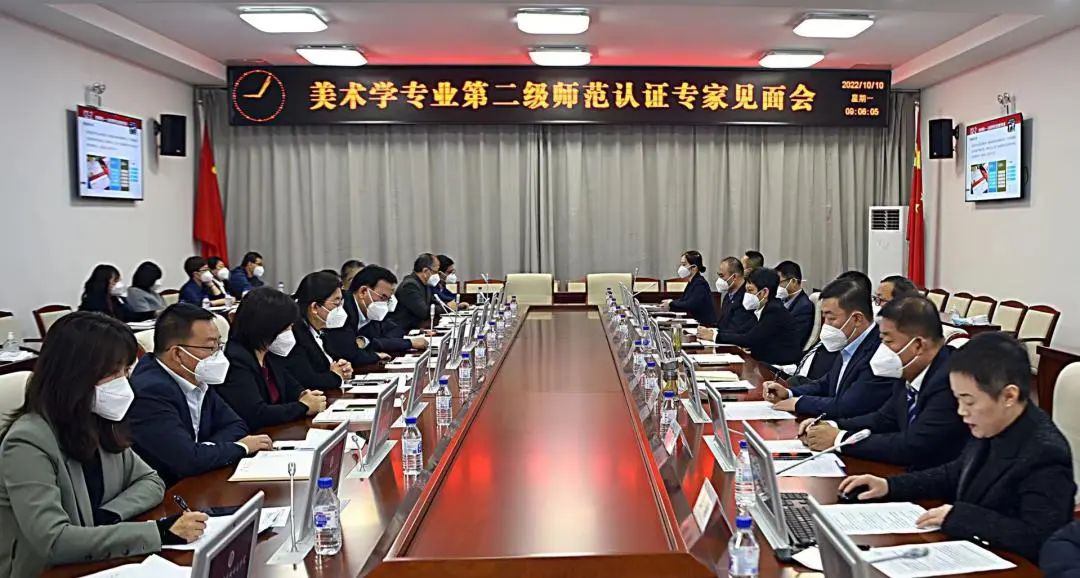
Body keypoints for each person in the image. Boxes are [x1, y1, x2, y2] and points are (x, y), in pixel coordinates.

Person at [0, 313, 208, 576]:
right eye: (112, 373)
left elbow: (151, 481)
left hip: (98, 560)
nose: (123, 383)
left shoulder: (98, 421)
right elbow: (53, 541)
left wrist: (110, 515)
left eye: (126, 371)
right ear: (73, 375)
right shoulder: (27, 442)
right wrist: (160, 532)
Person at [840, 333, 1076, 563]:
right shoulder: (993, 423)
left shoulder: (1045, 453)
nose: (961, 411)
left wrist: (960, 517)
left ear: (1009, 396)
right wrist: (889, 486)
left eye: (969, 401)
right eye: (958, 399)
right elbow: (955, 473)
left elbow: (1039, 538)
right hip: (972, 551)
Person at [800, 297, 968, 470]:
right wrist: (831, 425)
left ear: (918, 345)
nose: (882, 350)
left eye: (888, 342)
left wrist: (839, 439)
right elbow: (884, 419)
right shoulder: (910, 369)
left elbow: (914, 445)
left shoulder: (951, 380)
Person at [127, 304, 272, 487]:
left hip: (201, 478)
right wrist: (241, 447)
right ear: (178, 354)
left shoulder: (195, 375)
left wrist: (203, 450)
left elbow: (237, 425)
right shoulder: (149, 392)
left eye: (220, 345)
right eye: (211, 347)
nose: (218, 355)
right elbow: (186, 461)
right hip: (169, 491)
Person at [763, 277, 897, 417]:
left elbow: (848, 406)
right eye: (824, 318)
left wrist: (799, 403)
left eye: (831, 318)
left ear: (857, 319)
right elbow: (826, 384)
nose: (826, 325)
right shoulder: (850, 343)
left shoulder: (879, 351)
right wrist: (789, 393)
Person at [220, 288, 327, 431]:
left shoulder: (269, 354)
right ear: (267, 327)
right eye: (286, 328)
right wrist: (303, 407)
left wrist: (305, 395)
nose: (290, 333)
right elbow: (256, 414)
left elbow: (293, 387)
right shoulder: (235, 359)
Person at [700, 268, 801, 365]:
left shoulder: (774, 311)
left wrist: (715, 336)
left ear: (764, 292)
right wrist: (714, 332)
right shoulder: (762, 309)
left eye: (750, 290)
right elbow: (741, 331)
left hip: (779, 367)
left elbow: (749, 339)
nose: (746, 295)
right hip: (765, 361)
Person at [325, 266, 427, 362]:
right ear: (363, 292)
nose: (385, 304)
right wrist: (376, 355)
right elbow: (350, 354)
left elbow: (396, 330)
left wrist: (365, 341)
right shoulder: (342, 309)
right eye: (383, 297)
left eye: (388, 299)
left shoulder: (372, 311)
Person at [275, 272, 354, 391]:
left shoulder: (321, 330)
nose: (340, 310)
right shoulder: (294, 336)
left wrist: (343, 368)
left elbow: (331, 365)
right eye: (336, 303)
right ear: (315, 307)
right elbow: (308, 381)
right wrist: (336, 376)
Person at [78, 264, 155, 322]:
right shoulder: (92, 302)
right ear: (103, 282)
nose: (118, 284)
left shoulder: (115, 299)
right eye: (115, 281)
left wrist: (152, 313)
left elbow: (130, 315)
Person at [663, 250, 717, 326]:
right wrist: (671, 302)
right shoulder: (692, 282)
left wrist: (671, 303)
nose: (681, 268)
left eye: (684, 264)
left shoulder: (700, 283)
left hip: (704, 327)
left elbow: (690, 305)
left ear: (694, 267)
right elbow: (683, 300)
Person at [389, 253, 441, 332]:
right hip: (403, 332)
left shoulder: (425, 284)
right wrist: (447, 306)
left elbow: (435, 303)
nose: (437, 275)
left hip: (418, 329)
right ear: (425, 271)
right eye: (435, 272)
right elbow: (424, 312)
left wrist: (450, 306)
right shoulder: (410, 285)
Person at [776, 260, 814, 347]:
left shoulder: (804, 307)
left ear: (793, 281)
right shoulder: (782, 300)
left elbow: (794, 339)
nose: (777, 286)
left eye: (779, 283)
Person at [714, 257, 756, 333]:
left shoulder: (747, 298)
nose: (719, 280)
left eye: (722, 276)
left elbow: (737, 329)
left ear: (734, 277)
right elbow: (723, 323)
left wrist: (714, 335)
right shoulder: (728, 295)